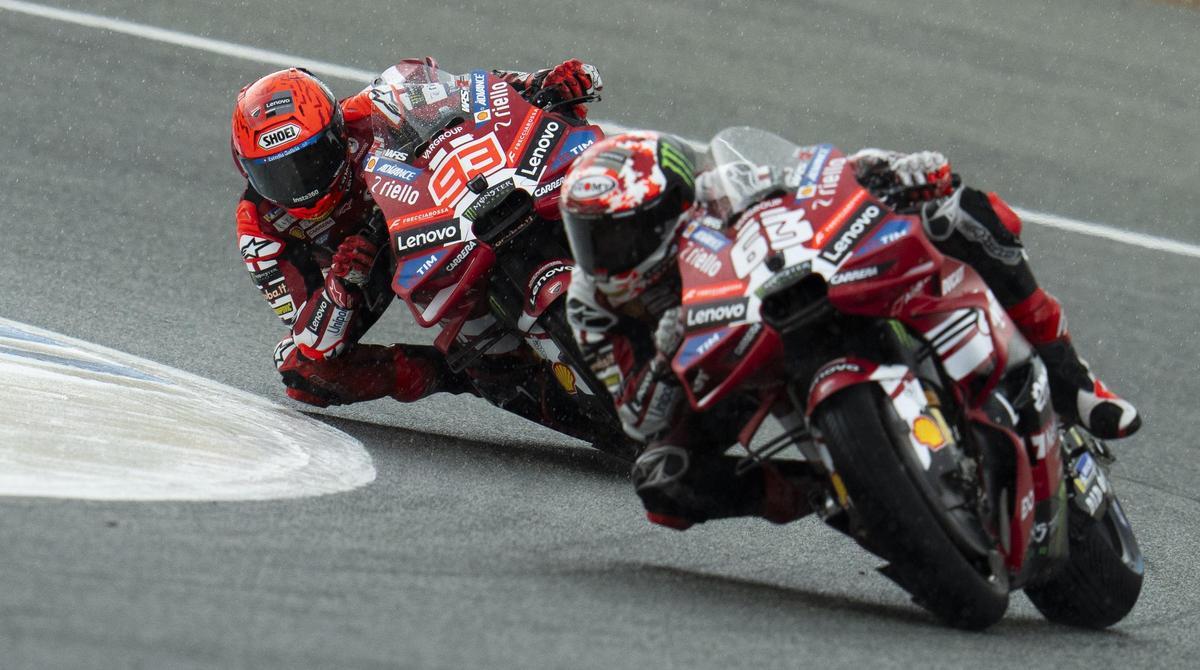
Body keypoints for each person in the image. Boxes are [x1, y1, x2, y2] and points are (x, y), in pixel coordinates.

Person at [560, 131, 1140, 530]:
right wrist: (664, 358)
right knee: (662, 483)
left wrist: (888, 169)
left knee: (954, 211)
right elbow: (636, 418)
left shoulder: (717, 196)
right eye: (590, 240)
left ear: (671, 209)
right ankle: (820, 487)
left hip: (776, 308)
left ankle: (1072, 378)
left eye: (618, 237)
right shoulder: (591, 305)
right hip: (715, 386)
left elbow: (817, 180)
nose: (604, 260)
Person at [230, 59, 601, 407]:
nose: (301, 186)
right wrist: (342, 285)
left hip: (435, 212)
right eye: (276, 175)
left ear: (337, 131)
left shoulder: (371, 110)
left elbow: (473, 96)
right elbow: (311, 338)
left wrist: (541, 83)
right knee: (300, 369)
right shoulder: (259, 225)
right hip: (367, 270)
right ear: (247, 170)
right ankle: (459, 372)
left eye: (311, 160)